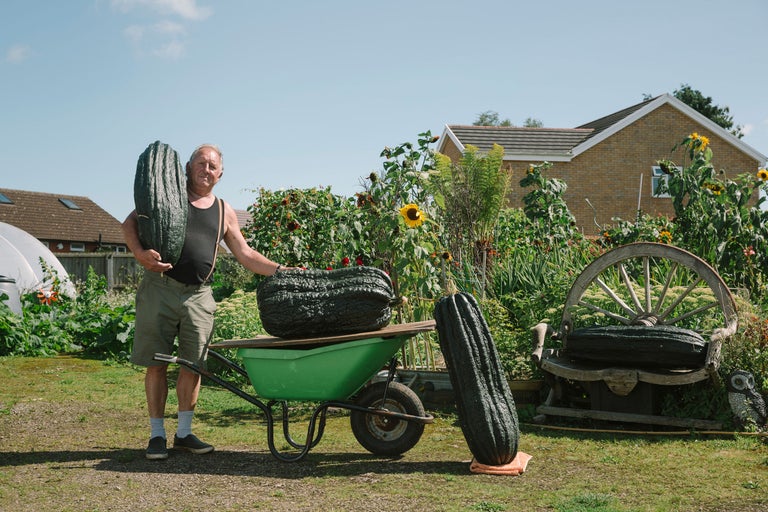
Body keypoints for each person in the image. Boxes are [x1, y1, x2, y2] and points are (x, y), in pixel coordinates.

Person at [123, 143, 290, 460]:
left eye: (213, 165)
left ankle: (183, 433)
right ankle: (157, 435)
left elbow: (246, 253)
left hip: (199, 295)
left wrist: (281, 271)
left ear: (221, 173)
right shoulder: (168, 195)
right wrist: (140, 254)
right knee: (157, 364)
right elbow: (129, 224)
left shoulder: (224, 210)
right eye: (200, 163)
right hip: (160, 287)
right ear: (187, 168)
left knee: (193, 365)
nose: (206, 169)